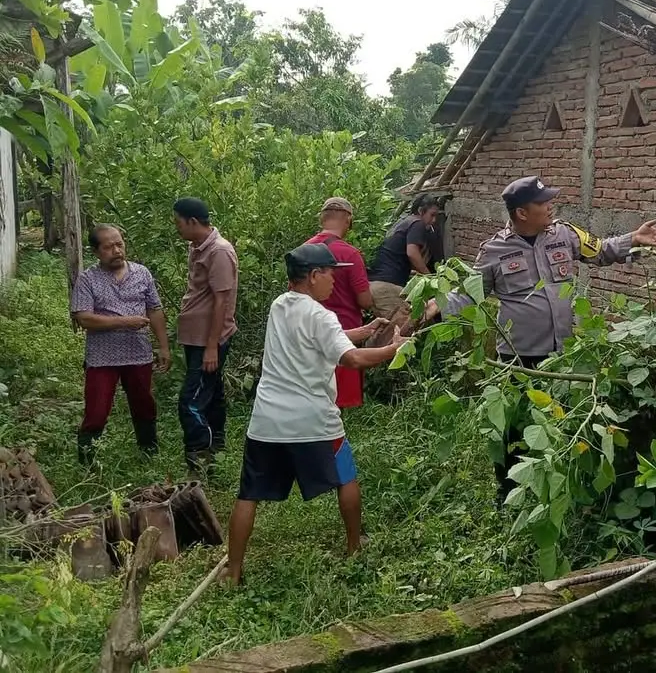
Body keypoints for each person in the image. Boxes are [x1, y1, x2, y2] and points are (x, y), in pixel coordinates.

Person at [439, 176, 656, 500]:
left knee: (559, 424)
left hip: (562, 355)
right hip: (518, 358)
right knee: (514, 428)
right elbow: (469, 295)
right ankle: (510, 494)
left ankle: (553, 492)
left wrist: (636, 238)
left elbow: (601, 250)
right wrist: (434, 308)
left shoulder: (564, 234)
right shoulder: (494, 250)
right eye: (543, 202)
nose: (551, 206)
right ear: (521, 212)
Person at [223, 243, 406, 584]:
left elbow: (320, 340)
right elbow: (350, 359)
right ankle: (354, 547)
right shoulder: (322, 316)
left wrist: (362, 332)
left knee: (248, 494)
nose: (335, 281)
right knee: (346, 478)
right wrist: (393, 348)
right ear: (313, 276)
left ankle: (233, 570)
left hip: (267, 421)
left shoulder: (280, 305)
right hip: (314, 421)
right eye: (330, 274)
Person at [70, 225, 170, 464]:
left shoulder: (142, 273)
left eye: (119, 244)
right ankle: (87, 461)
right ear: (96, 251)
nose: (116, 250)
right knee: (97, 410)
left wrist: (164, 346)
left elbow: (155, 310)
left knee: (144, 404)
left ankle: (149, 452)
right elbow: (84, 317)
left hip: (139, 353)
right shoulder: (88, 279)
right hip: (102, 357)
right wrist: (125, 321)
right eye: (108, 247)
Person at [173, 197, 238, 473]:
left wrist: (212, 346)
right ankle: (217, 450)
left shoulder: (219, 252)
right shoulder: (197, 246)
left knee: (190, 401)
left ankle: (199, 458)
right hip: (196, 337)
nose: (176, 228)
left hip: (207, 340)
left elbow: (221, 301)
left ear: (193, 222)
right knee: (211, 394)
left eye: (178, 223)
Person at [305, 197, 374, 409]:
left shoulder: (304, 251)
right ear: (348, 220)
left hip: (310, 330)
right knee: (338, 402)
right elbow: (365, 301)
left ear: (322, 219)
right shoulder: (350, 254)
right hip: (345, 329)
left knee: (313, 393)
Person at [366, 195, 440, 322]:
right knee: (406, 328)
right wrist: (430, 277)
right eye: (432, 215)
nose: (434, 220)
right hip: (387, 286)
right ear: (421, 211)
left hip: (375, 285)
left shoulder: (404, 222)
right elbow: (412, 252)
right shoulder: (417, 223)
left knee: (386, 330)